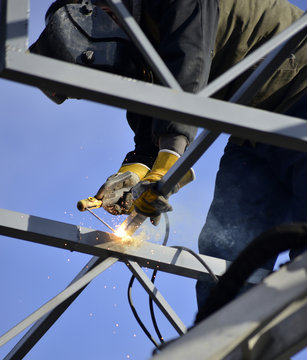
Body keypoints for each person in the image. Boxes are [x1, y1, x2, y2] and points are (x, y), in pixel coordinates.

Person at [94, 0, 307, 309]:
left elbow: (188, 60)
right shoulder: (139, 38)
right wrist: (139, 168)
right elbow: (152, 107)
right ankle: (220, 341)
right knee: (225, 255)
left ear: (105, 12)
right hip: (254, 128)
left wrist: (169, 158)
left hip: (300, 91)